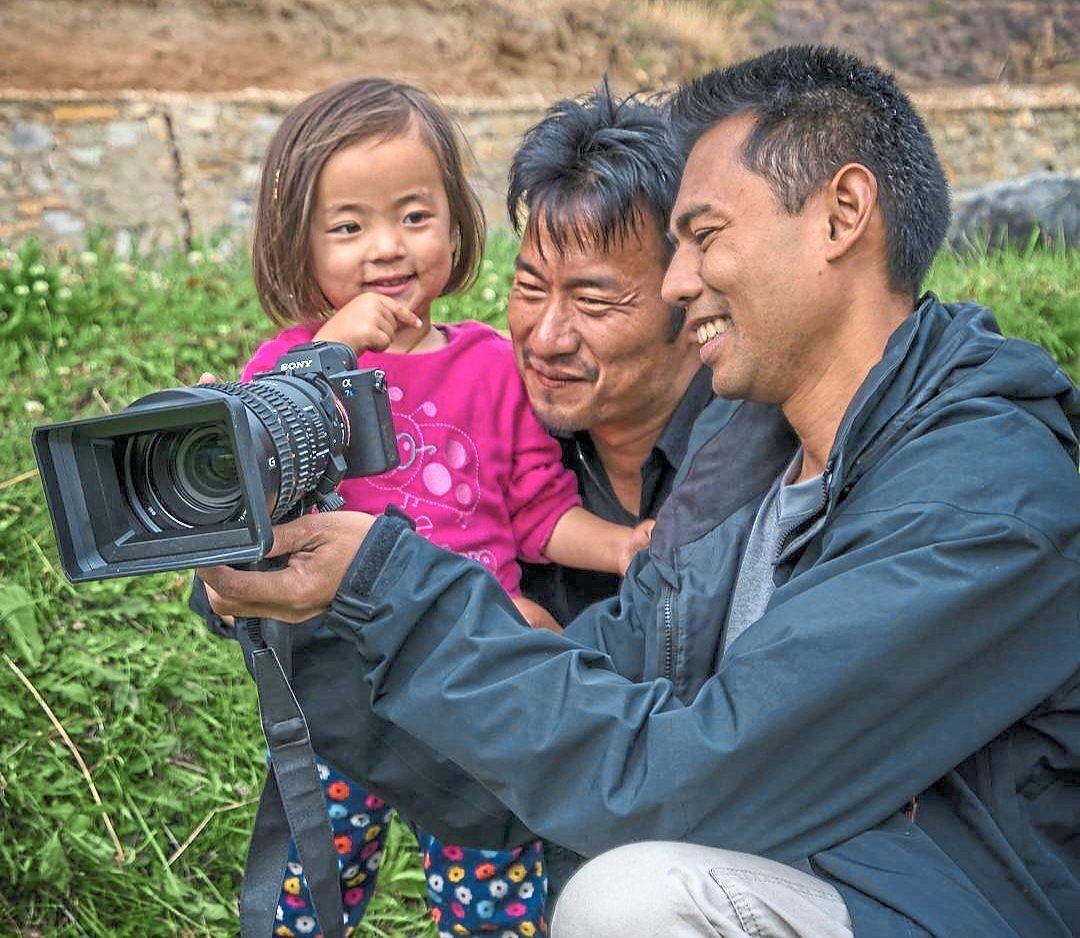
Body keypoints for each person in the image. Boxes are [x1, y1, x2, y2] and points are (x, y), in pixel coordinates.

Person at [202, 47, 1080, 938]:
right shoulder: (743, 467)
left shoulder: (982, 496)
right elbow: (536, 765)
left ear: (842, 215)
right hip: (792, 874)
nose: (676, 282)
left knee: (631, 900)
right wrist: (315, 609)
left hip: (938, 909)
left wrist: (398, 588)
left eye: (703, 236)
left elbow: (682, 779)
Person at [215, 76, 654, 938]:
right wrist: (329, 353)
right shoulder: (287, 367)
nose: (387, 248)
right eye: (348, 227)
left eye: (415, 216)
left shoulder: (491, 363)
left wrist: (624, 547)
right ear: (294, 245)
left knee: (490, 878)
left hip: (468, 680)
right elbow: (257, 484)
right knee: (310, 886)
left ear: (456, 224)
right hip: (336, 688)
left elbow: (534, 511)